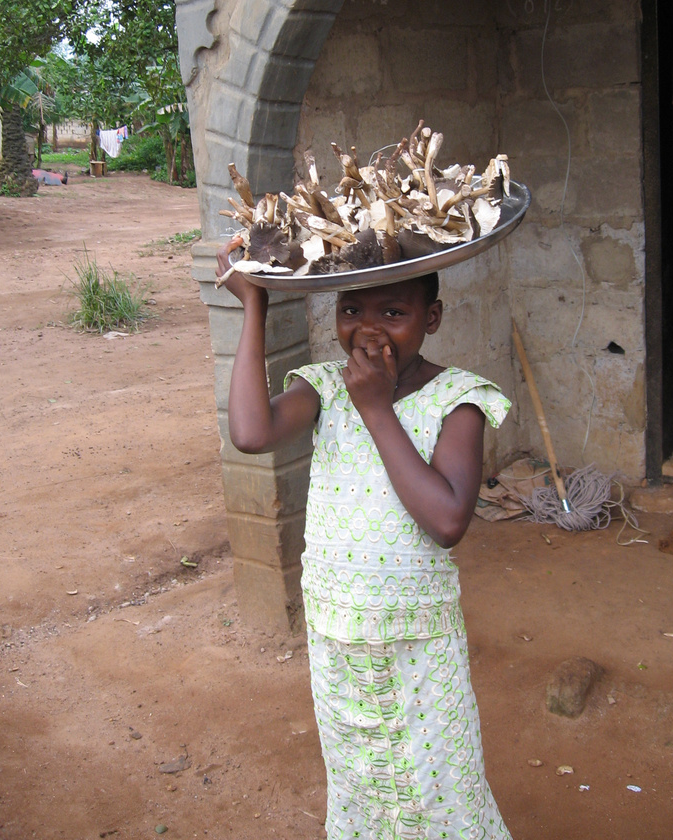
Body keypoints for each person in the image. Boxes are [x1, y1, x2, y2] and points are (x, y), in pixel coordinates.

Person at [217, 240, 513, 840]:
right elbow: (251, 433)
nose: (368, 331)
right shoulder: (324, 386)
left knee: (439, 789)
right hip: (337, 635)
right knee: (362, 787)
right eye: (351, 310)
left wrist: (377, 410)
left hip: (416, 641)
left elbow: (449, 521)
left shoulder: (460, 400)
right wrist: (255, 307)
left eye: (394, 314)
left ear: (431, 318)